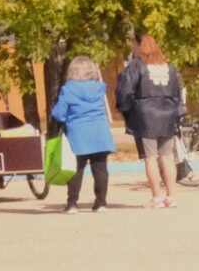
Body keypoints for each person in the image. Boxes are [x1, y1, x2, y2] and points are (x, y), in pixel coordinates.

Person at [115, 34, 184, 209]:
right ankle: (171, 196)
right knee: (167, 157)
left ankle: (156, 198)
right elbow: (177, 91)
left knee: (150, 158)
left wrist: (124, 108)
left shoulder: (137, 65)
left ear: (140, 46)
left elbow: (125, 90)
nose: (133, 48)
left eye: (134, 45)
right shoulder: (169, 66)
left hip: (146, 116)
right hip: (168, 115)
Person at [48, 56, 116, 214]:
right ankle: (101, 203)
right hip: (100, 133)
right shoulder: (99, 88)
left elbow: (59, 113)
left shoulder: (69, 89)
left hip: (79, 135)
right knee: (100, 170)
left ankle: (72, 204)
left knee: (76, 170)